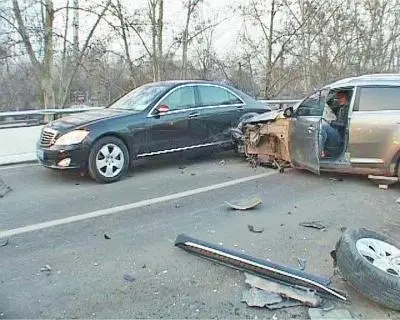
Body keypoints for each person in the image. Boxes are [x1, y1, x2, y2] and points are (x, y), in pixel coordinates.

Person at [320, 91, 348, 157]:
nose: (339, 100)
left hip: (340, 137)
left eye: (341, 97)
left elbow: (343, 124)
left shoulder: (347, 109)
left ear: (347, 97)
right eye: (338, 98)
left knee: (323, 126)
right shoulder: (340, 107)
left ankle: (320, 151)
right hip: (337, 132)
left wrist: (331, 122)